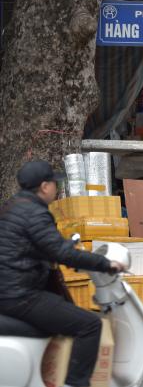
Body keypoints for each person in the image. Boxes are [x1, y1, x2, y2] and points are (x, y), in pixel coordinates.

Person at [0, 160, 126, 387]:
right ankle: (76, 383)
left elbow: (38, 247)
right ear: (45, 186)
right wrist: (106, 264)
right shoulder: (35, 213)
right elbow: (60, 253)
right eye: (54, 184)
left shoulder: (13, 206)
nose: (56, 189)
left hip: (9, 290)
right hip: (21, 295)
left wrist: (64, 250)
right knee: (90, 325)